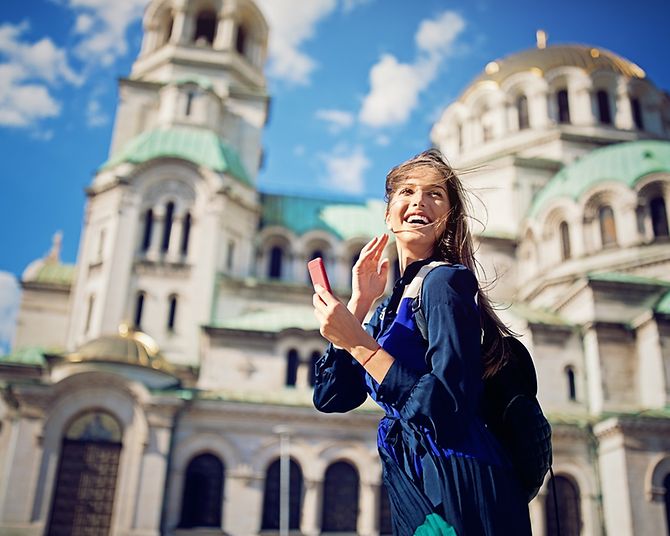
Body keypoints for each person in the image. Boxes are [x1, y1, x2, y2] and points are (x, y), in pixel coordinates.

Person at [311, 149, 532, 535]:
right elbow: (332, 397)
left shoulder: (444, 282)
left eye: (435, 194)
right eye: (407, 191)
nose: (419, 202)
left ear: (448, 217)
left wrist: (359, 343)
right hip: (415, 478)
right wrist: (360, 303)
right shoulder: (386, 308)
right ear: (387, 212)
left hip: (458, 477)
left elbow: (447, 406)